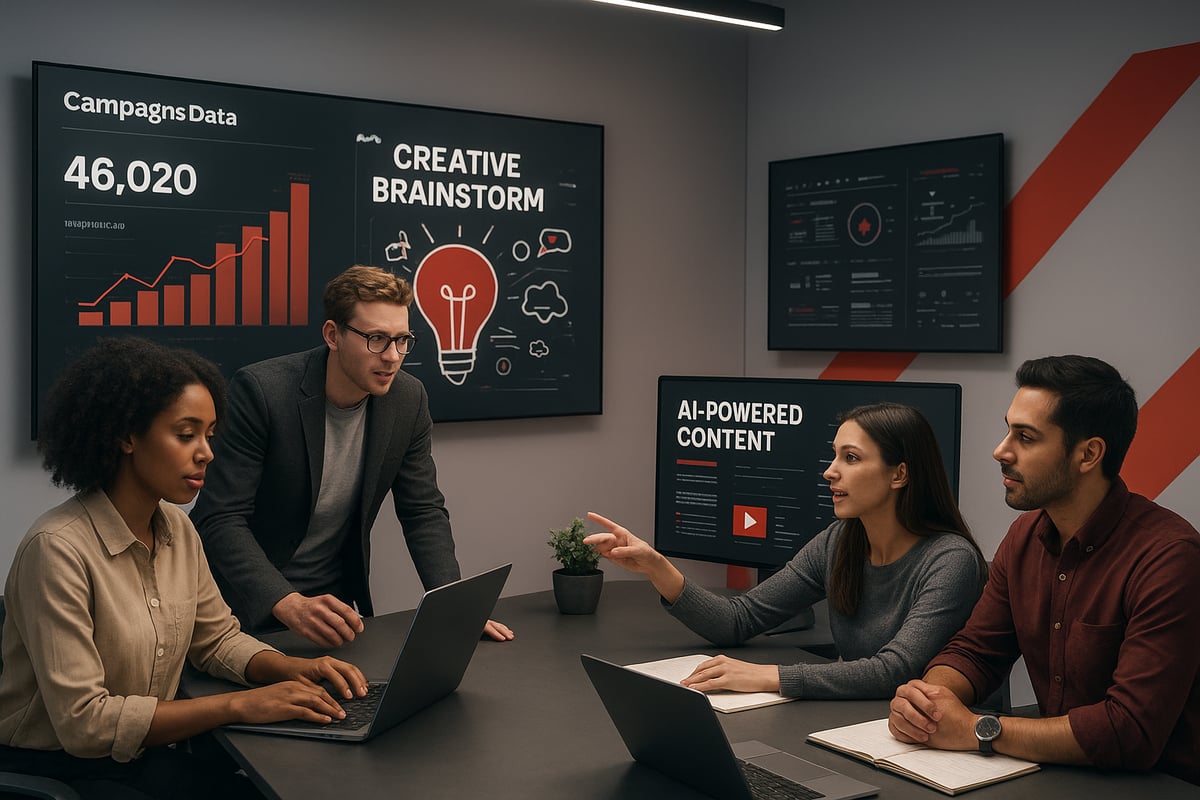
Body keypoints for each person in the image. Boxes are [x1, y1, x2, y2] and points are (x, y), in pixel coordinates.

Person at [0, 338, 369, 799]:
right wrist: (242, 705)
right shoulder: (56, 549)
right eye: (185, 434)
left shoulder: (177, 527)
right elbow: (85, 724)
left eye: (209, 435)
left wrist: (293, 669)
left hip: (138, 758)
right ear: (127, 437)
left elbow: (216, 640)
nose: (206, 453)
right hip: (57, 771)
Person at [888, 355, 1200, 786]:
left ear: (1088, 454)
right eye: (1008, 430)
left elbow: (1129, 731)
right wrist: (929, 701)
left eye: (1026, 437)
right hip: (1058, 775)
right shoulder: (1024, 536)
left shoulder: (1169, 557)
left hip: (1160, 785)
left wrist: (978, 730)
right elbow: (977, 652)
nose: (1001, 450)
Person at [191, 265, 512, 647]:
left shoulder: (408, 399)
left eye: (402, 340)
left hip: (335, 608)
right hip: (243, 609)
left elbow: (422, 510)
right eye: (376, 339)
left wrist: (456, 605)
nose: (392, 356)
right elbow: (220, 518)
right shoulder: (263, 391)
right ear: (333, 335)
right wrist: (287, 602)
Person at [585, 402, 987, 699]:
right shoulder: (839, 541)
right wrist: (655, 565)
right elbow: (737, 620)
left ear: (899, 474)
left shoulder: (950, 560)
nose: (830, 471)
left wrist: (769, 676)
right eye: (834, 455)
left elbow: (896, 670)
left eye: (850, 458)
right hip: (854, 721)